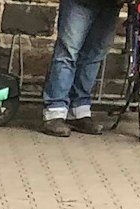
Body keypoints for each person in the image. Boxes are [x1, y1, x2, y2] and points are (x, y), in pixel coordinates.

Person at [41, 0, 123, 135]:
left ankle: (79, 110)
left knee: (95, 54)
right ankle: (54, 112)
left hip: (111, 3)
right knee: (68, 51)